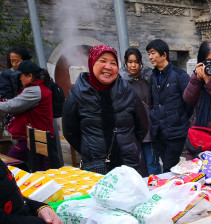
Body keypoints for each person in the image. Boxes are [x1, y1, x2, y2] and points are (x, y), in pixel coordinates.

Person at [63, 45, 148, 176]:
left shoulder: (127, 91)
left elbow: (142, 126)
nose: (108, 67)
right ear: (92, 62)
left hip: (130, 164)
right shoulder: (78, 94)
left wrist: (129, 145)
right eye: (102, 61)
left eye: (113, 63)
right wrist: (90, 148)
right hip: (96, 167)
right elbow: (70, 132)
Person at [0, 60, 60, 170]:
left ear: (30, 76)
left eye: (21, 75)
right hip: (34, 137)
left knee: (7, 166)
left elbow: (12, 106)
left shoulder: (34, 91)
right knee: (40, 169)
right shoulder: (36, 88)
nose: (19, 78)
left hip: (33, 139)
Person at [146, 39, 191, 172]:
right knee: (166, 165)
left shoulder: (179, 75)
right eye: (149, 53)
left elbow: (189, 102)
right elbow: (154, 101)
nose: (150, 57)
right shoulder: (153, 76)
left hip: (175, 131)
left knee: (169, 167)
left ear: (164, 55)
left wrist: (178, 117)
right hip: (159, 130)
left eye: (153, 53)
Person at [121, 47, 161, 175]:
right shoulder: (122, 83)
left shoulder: (149, 79)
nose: (133, 65)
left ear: (140, 63)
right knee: (136, 167)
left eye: (136, 62)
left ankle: (154, 191)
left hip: (149, 129)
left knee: (153, 165)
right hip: (132, 132)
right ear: (125, 62)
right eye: (130, 62)